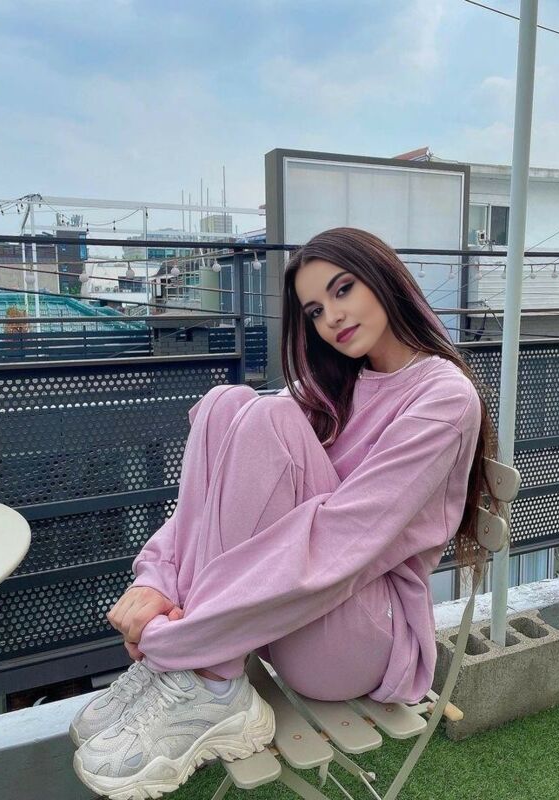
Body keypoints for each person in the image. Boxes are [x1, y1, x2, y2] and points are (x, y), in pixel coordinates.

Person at [71, 227, 496, 799]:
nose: (332, 318)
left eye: (343, 289)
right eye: (315, 310)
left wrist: (176, 638)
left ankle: (209, 677)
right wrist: (156, 581)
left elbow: (343, 543)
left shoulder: (444, 397)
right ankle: (193, 666)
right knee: (226, 404)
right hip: (287, 614)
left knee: (264, 415)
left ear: (385, 279)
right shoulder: (336, 382)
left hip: (357, 642)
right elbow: (210, 505)